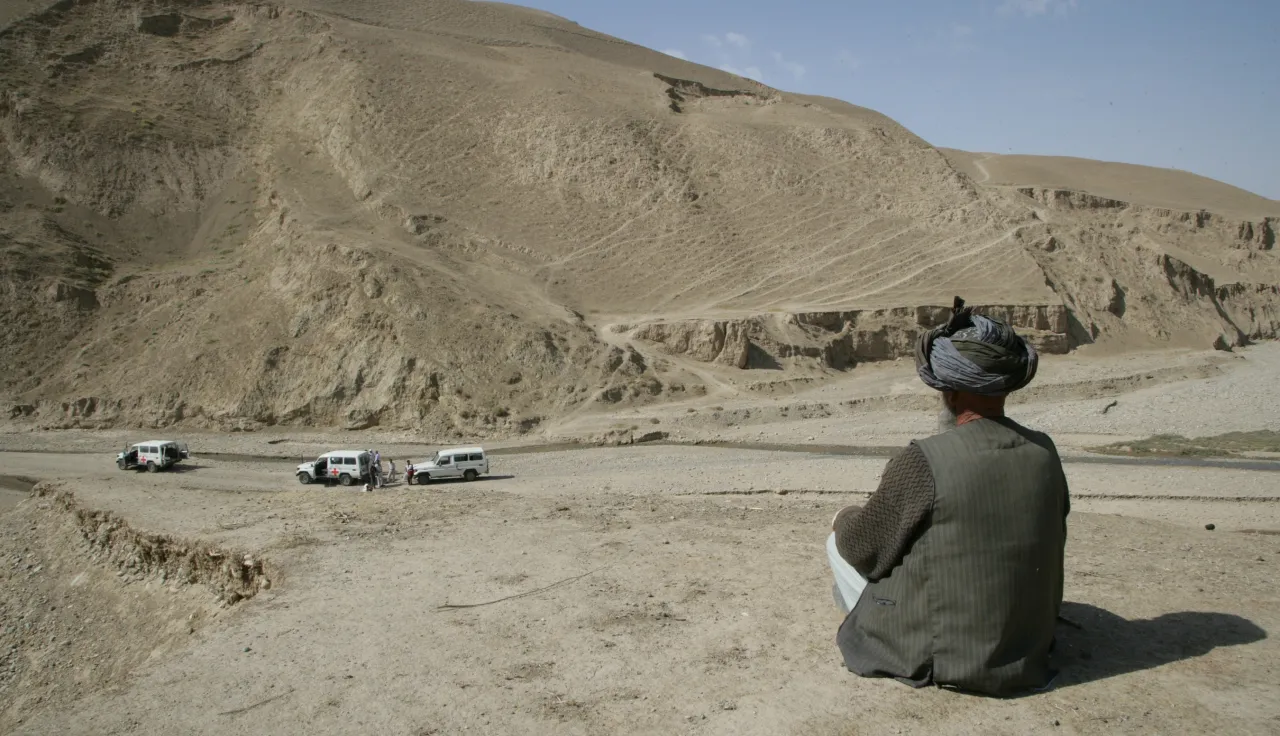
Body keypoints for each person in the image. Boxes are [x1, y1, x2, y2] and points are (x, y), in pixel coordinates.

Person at [827, 296, 1069, 697]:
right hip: (1027, 645)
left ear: (950, 392)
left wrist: (844, 519)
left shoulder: (924, 460)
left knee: (838, 541)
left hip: (947, 651)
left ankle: (869, 619)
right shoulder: (1045, 450)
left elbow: (861, 550)